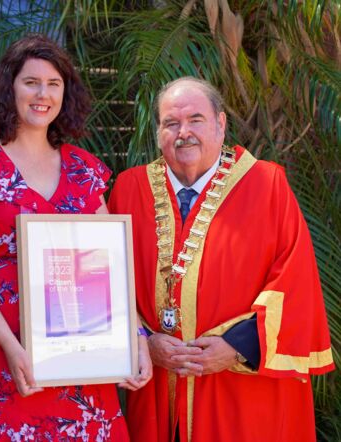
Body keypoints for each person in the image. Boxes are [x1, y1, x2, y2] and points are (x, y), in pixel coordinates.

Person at [0, 33, 151, 441]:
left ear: (65, 95)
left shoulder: (85, 170)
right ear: (9, 87)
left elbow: (110, 268)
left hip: (76, 364)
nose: (42, 94)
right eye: (31, 82)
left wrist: (136, 338)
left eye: (54, 84)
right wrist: (13, 347)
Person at [108, 77, 334, 442]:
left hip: (241, 391)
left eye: (195, 119)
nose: (184, 133)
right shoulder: (128, 189)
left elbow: (295, 284)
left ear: (221, 123)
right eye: (171, 123)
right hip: (158, 388)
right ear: (158, 131)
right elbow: (105, 285)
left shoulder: (267, 185)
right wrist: (144, 341)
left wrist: (235, 347)